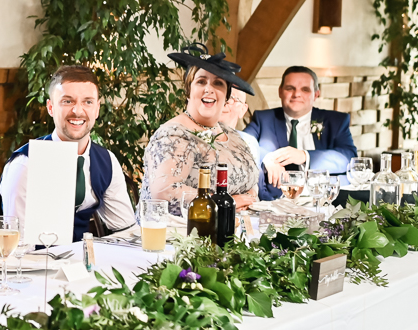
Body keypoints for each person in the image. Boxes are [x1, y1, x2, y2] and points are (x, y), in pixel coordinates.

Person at [0, 65, 136, 243]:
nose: (78, 111)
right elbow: (16, 244)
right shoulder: (25, 164)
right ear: (50, 107)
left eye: (87, 102)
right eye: (67, 101)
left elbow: (126, 231)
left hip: (83, 258)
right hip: (34, 258)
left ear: (97, 109)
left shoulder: (107, 161)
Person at [141, 45, 259, 215]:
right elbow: (165, 193)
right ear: (188, 91)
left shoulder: (232, 134)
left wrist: (249, 198)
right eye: (201, 81)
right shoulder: (174, 134)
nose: (209, 89)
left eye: (218, 83)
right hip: (182, 229)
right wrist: (225, 203)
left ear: (226, 96)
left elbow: (251, 180)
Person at [243, 66, 357, 200]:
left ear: (316, 94)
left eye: (305, 89)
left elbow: (349, 157)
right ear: (280, 91)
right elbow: (243, 142)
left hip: (324, 197)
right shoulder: (264, 119)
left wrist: (305, 156)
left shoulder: (335, 121)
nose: (296, 94)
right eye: (290, 88)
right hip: (278, 199)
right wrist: (267, 158)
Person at [218, 88, 261, 164]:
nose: (224, 103)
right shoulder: (197, 136)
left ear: (243, 110)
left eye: (231, 98)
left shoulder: (249, 143)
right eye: (220, 97)